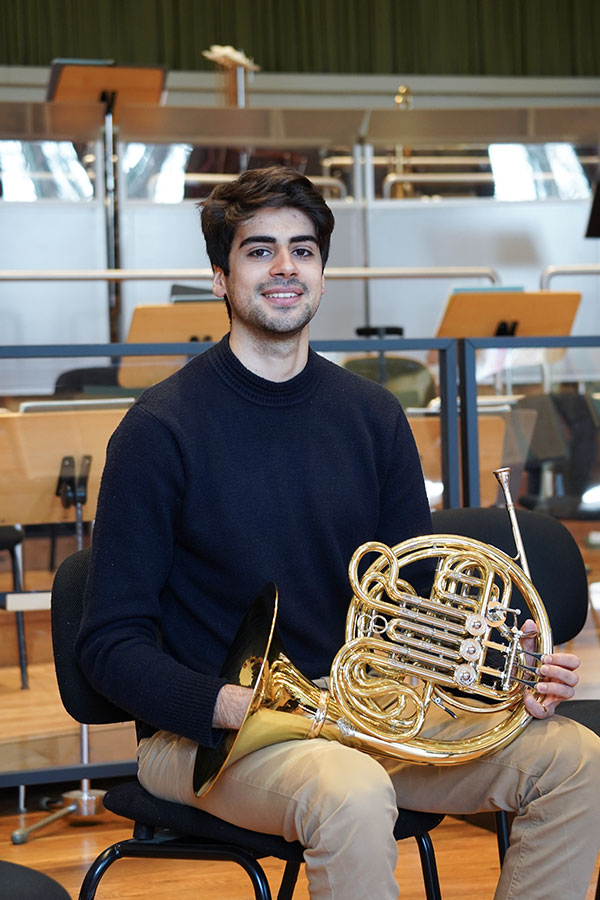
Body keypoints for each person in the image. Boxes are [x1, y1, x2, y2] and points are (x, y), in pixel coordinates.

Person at [77, 166, 600, 900]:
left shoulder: (372, 416)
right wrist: (232, 706)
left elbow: (417, 607)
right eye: (259, 251)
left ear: (322, 274)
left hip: (361, 713)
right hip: (210, 735)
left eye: (303, 250)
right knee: (351, 791)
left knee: (576, 762)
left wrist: (503, 672)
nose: (285, 267)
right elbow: (108, 643)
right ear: (221, 278)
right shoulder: (159, 430)